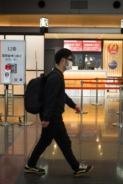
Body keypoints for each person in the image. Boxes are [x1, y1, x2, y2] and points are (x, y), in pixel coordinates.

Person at [24, 48, 93, 177]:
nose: (71, 62)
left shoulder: (56, 75)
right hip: (53, 117)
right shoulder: (56, 77)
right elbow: (50, 99)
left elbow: (61, 95)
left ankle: (30, 165)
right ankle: (76, 168)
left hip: (50, 115)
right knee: (65, 142)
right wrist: (46, 119)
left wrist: (74, 105)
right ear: (63, 60)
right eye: (70, 59)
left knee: (44, 141)